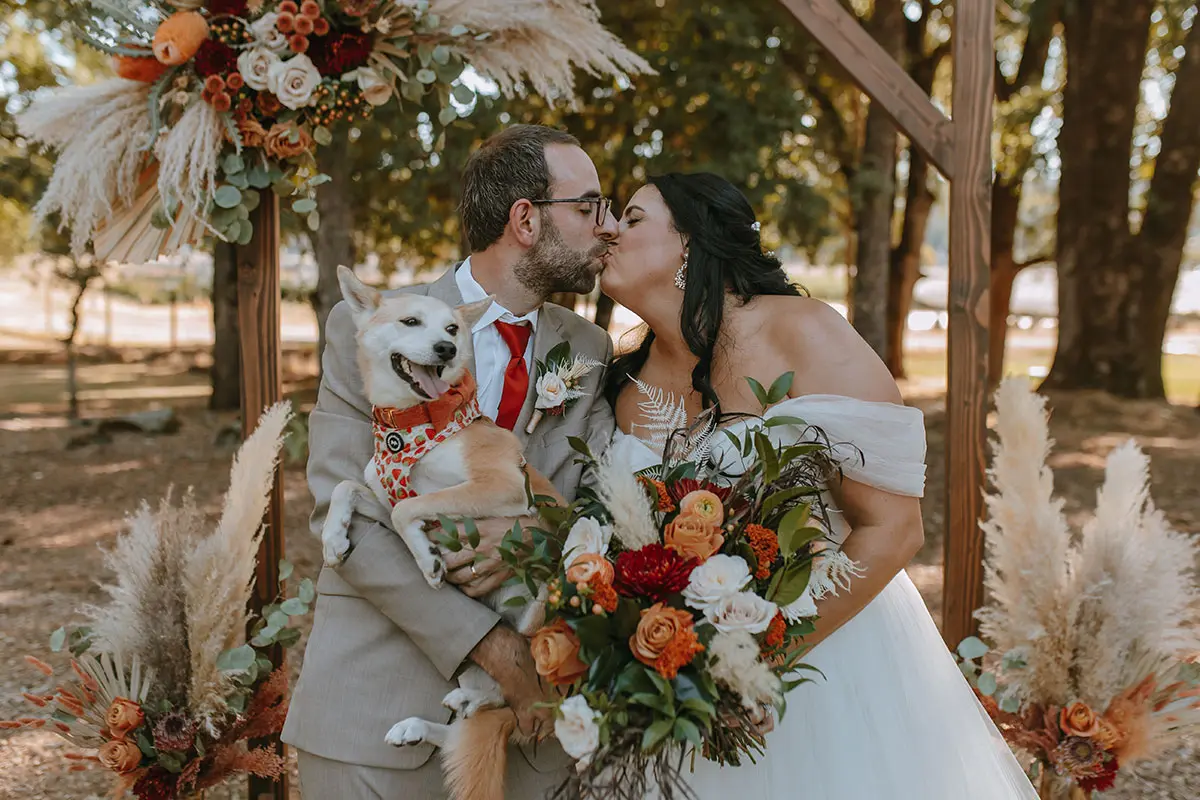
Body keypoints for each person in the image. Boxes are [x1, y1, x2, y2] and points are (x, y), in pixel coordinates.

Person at [598, 172, 1039, 799]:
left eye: (633, 217)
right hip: (676, 683)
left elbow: (893, 526)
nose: (609, 228)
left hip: (825, 660)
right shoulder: (625, 386)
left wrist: (761, 659)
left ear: (691, 242)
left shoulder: (802, 332)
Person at [282, 124, 618, 798]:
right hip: (372, 719)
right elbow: (346, 516)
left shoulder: (588, 351)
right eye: (588, 208)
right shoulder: (371, 328)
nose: (607, 227)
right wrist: (497, 650)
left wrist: (534, 533)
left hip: (531, 743)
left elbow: (596, 507)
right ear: (526, 219)